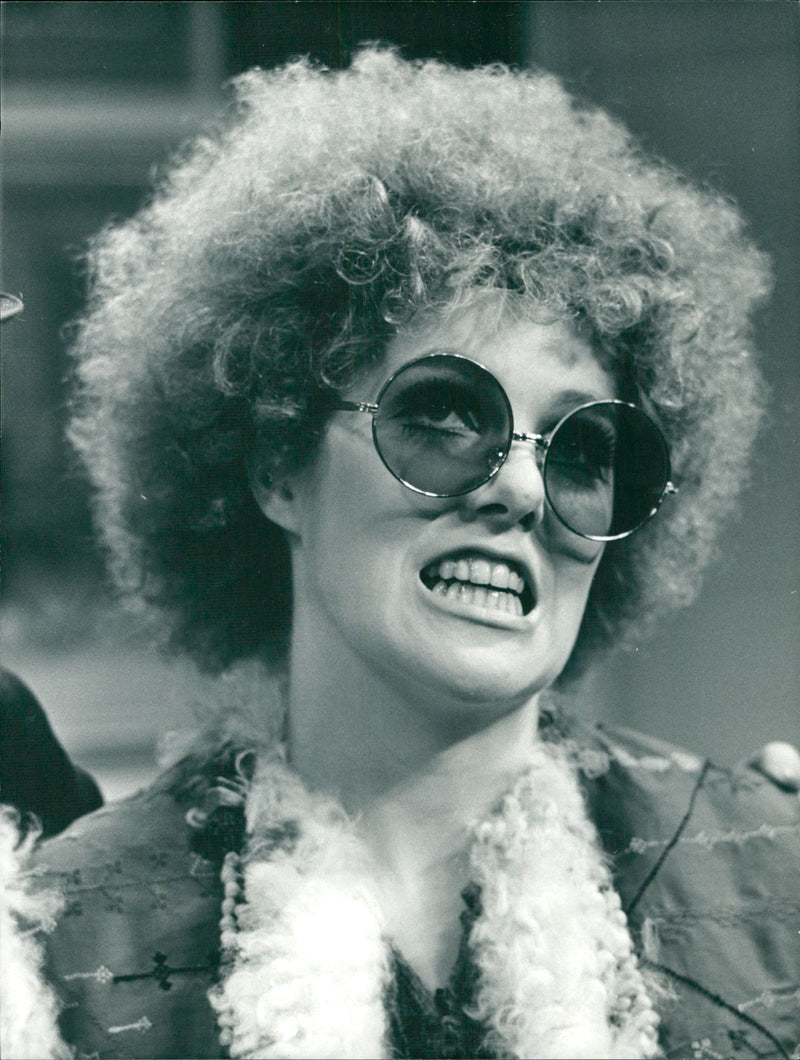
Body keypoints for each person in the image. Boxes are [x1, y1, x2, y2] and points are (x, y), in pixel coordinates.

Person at [1, 49, 798, 1060]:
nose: (517, 487)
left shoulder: (769, 892)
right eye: (441, 415)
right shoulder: (47, 962)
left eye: (583, 447)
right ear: (278, 462)